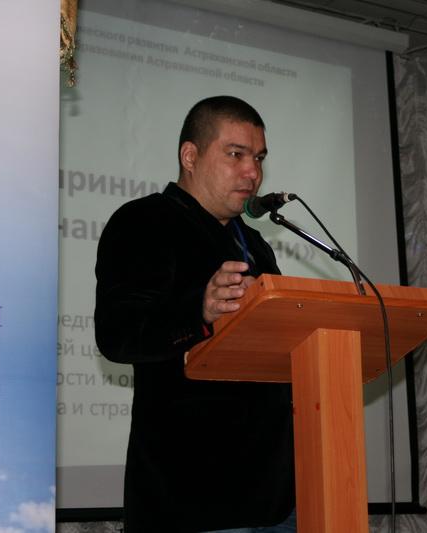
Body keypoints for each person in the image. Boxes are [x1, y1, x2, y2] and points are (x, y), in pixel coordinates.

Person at [94, 96, 296, 533]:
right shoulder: (143, 222)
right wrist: (199, 311)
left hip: (276, 496)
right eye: (236, 154)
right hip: (192, 495)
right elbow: (117, 336)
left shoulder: (255, 244)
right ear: (190, 156)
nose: (253, 172)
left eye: (259, 158)